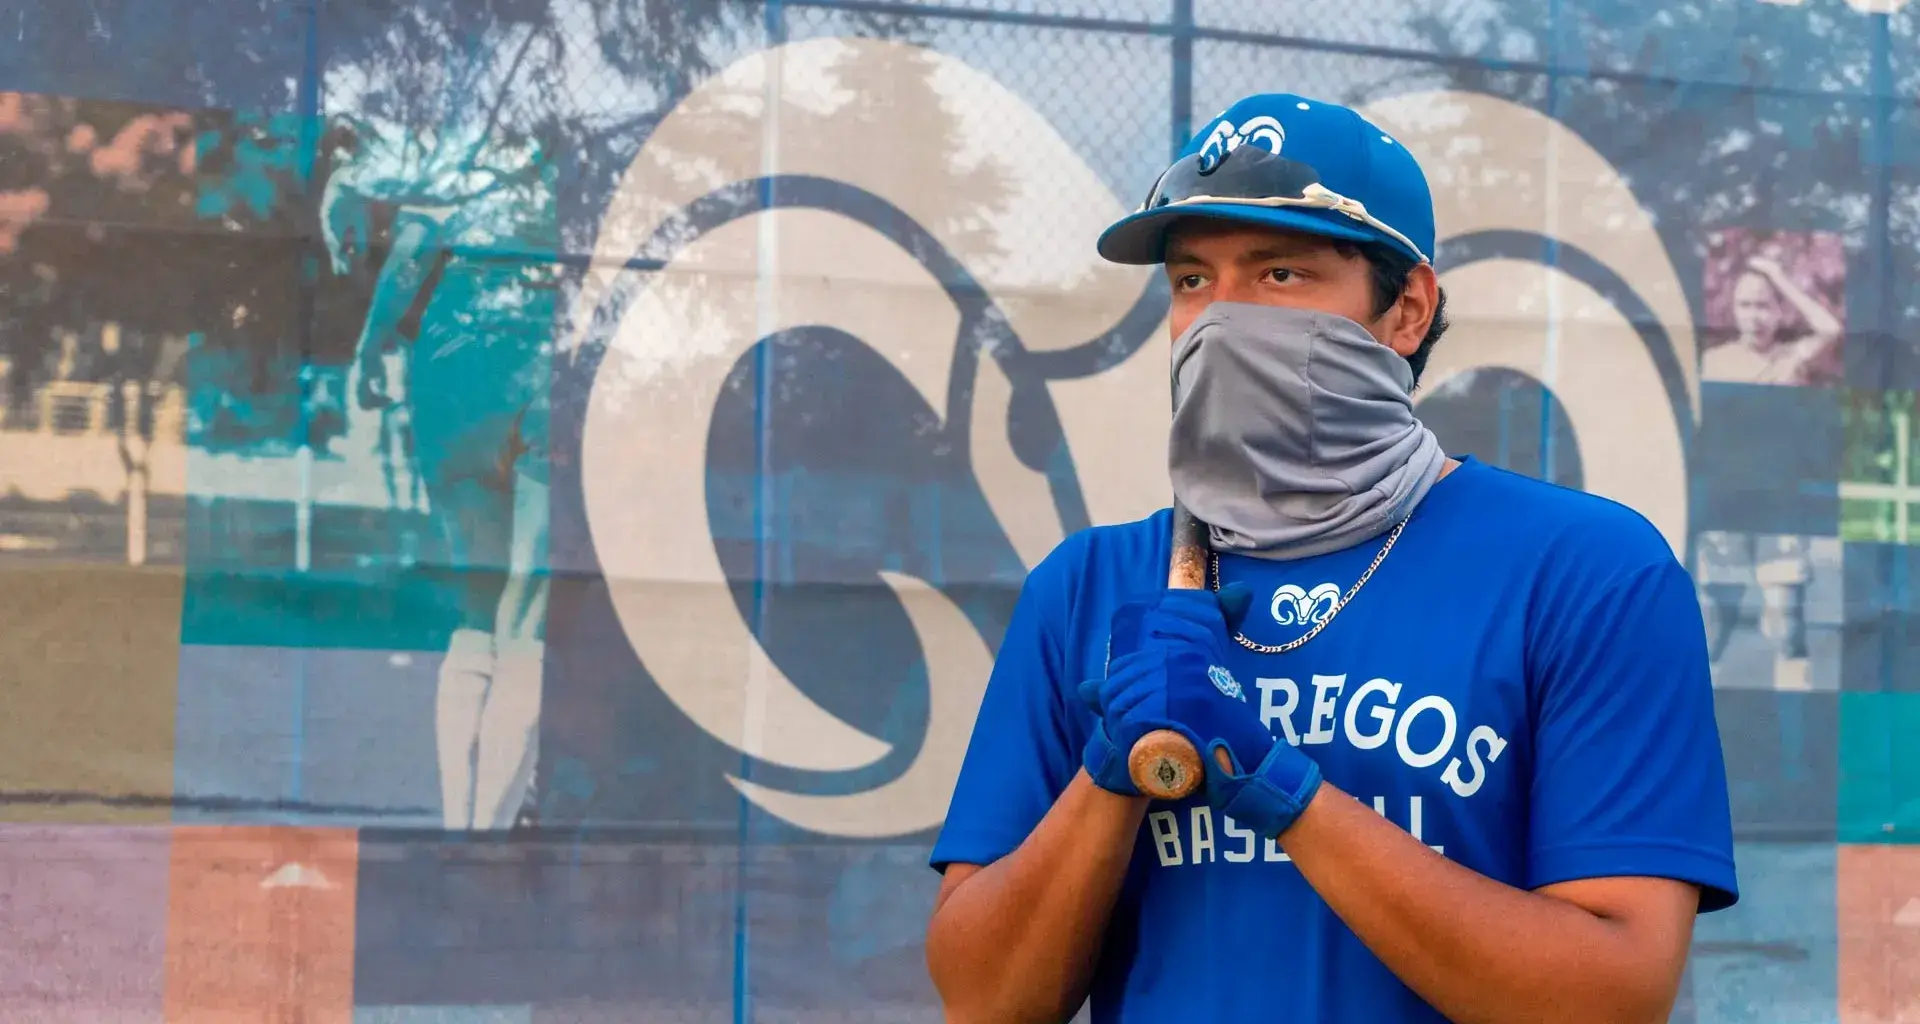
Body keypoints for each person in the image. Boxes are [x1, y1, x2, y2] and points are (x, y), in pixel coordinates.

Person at [924, 93, 1738, 1023]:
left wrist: (1280, 788)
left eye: (1280, 274)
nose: (1221, 318)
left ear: (1406, 309)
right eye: (1192, 281)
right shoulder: (1090, 589)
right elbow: (985, 1001)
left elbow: (1611, 996)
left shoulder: (1586, 574)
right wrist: (1108, 776)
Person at [321, 108, 556, 833]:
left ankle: (458, 826)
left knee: (475, 607)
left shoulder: (469, 139)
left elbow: (416, 247)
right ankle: (490, 829)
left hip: (454, 366)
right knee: (528, 610)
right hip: (541, 359)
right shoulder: (569, 151)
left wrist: (369, 346)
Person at [1701, 250, 1843, 387]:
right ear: (1733, 309)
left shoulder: (1792, 357)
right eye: (1744, 305)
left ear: (1780, 312)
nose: (1753, 317)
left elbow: (1831, 329)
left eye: (1763, 306)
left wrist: (1779, 277)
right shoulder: (1714, 361)